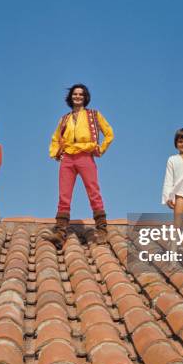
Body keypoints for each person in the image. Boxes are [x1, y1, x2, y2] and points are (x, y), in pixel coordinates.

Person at [45, 84, 114, 247]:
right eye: (75, 94)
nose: (77, 97)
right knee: (64, 194)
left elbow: (109, 133)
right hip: (67, 158)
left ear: (85, 97)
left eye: (81, 95)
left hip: (85, 156)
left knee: (93, 191)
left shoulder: (93, 115)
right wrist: (56, 152)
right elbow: (55, 138)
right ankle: (61, 232)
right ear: (71, 97)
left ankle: (102, 229)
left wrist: (100, 148)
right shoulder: (64, 119)